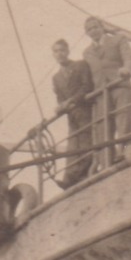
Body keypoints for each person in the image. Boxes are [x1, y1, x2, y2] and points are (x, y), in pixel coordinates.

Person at [83, 17, 131, 166]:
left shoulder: (118, 40)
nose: (93, 31)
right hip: (101, 93)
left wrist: (127, 69)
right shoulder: (87, 53)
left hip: (120, 85)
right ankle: (107, 162)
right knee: (104, 128)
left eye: (95, 27)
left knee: (125, 121)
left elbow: (129, 59)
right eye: (89, 29)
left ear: (102, 27)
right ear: (86, 33)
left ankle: (126, 153)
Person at [51, 39, 95, 188]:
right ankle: (70, 178)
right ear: (53, 54)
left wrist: (71, 101)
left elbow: (87, 86)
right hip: (71, 115)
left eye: (62, 50)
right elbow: (60, 98)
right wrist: (60, 107)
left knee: (86, 141)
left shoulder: (80, 65)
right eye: (56, 51)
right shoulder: (56, 78)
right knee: (72, 146)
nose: (59, 54)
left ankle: (79, 175)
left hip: (84, 110)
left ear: (68, 51)